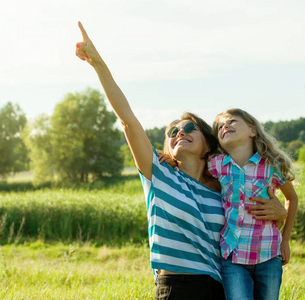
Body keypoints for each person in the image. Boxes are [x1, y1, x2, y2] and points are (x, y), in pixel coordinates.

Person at [75, 22, 287, 300]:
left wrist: (281, 214)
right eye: (172, 132)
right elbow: (127, 120)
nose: (179, 133)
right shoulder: (158, 173)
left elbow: (252, 223)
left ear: (208, 143)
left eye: (189, 129)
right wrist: (99, 65)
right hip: (175, 288)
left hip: (219, 286)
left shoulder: (222, 185)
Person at [209, 108, 299, 300]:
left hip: (268, 254)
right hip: (233, 256)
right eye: (220, 127)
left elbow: (292, 198)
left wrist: (286, 240)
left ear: (252, 130)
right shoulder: (216, 165)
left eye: (232, 121)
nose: (225, 126)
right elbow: (189, 165)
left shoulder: (271, 165)